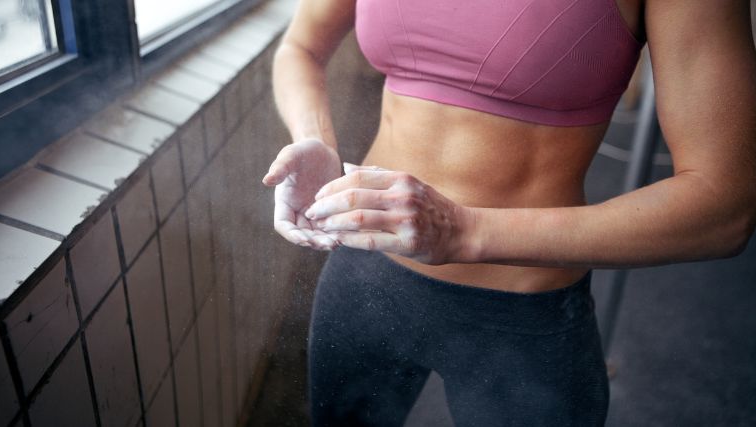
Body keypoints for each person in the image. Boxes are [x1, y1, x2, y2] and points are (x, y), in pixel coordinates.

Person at [262, 0, 756, 425]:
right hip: (364, 273)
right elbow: (299, 49)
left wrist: (464, 230)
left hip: (522, 315)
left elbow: (724, 205)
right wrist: (318, 142)